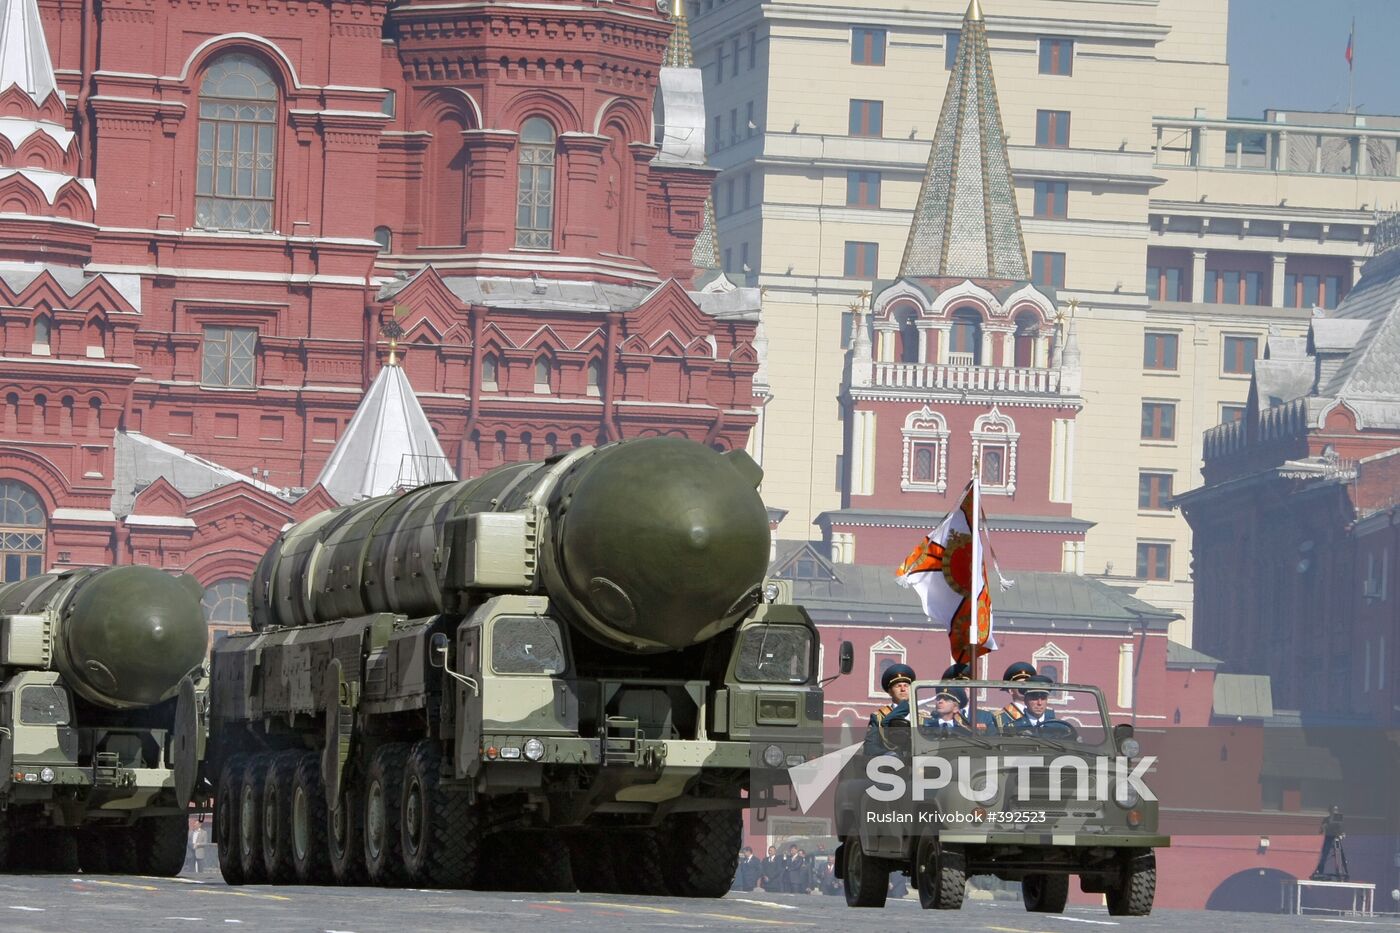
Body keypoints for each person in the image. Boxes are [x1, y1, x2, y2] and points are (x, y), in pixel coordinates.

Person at [864, 663, 918, 757]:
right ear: (890, 692)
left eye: (906, 685)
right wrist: (888, 754)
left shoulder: (921, 717)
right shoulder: (878, 717)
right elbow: (870, 748)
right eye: (898, 686)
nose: (903, 689)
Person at [942, 662, 997, 733]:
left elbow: (993, 741)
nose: (964, 689)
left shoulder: (985, 717)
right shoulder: (943, 714)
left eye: (967, 685)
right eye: (958, 686)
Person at [993, 661, 1037, 730]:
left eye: (1027, 684)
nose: (1025, 687)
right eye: (1020, 684)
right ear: (1010, 690)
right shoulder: (1002, 717)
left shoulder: (1045, 712)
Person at [1312, 806, 1349, 880]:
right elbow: (1321, 831)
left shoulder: (1338, 818)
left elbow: (1340, 828)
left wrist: (1342, 833)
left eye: (1336, 810)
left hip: (1336, 837)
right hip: (1328, 838)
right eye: (1334, 810)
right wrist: (1324, 827)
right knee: (1324, 855)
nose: (1335, 811)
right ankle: (1320, 871)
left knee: (1340, 855)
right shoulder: (1326, 819)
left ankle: (1342, 872)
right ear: (1330, 811)